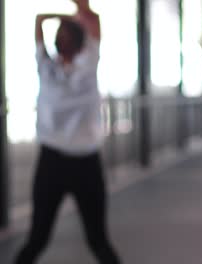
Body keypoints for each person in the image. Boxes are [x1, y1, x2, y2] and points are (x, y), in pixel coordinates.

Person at [14, 1, 120, 263]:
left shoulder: (86, 66)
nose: (62, 39)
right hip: (54, 162)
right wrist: (70, 17)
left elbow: (91, 18)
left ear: (78, 42)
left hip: (83, 163)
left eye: (66, 34)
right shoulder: (47, 68)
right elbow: (40, 19)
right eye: (60, 35)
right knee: (37, 239)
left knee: (98, 240)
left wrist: (72, 17)